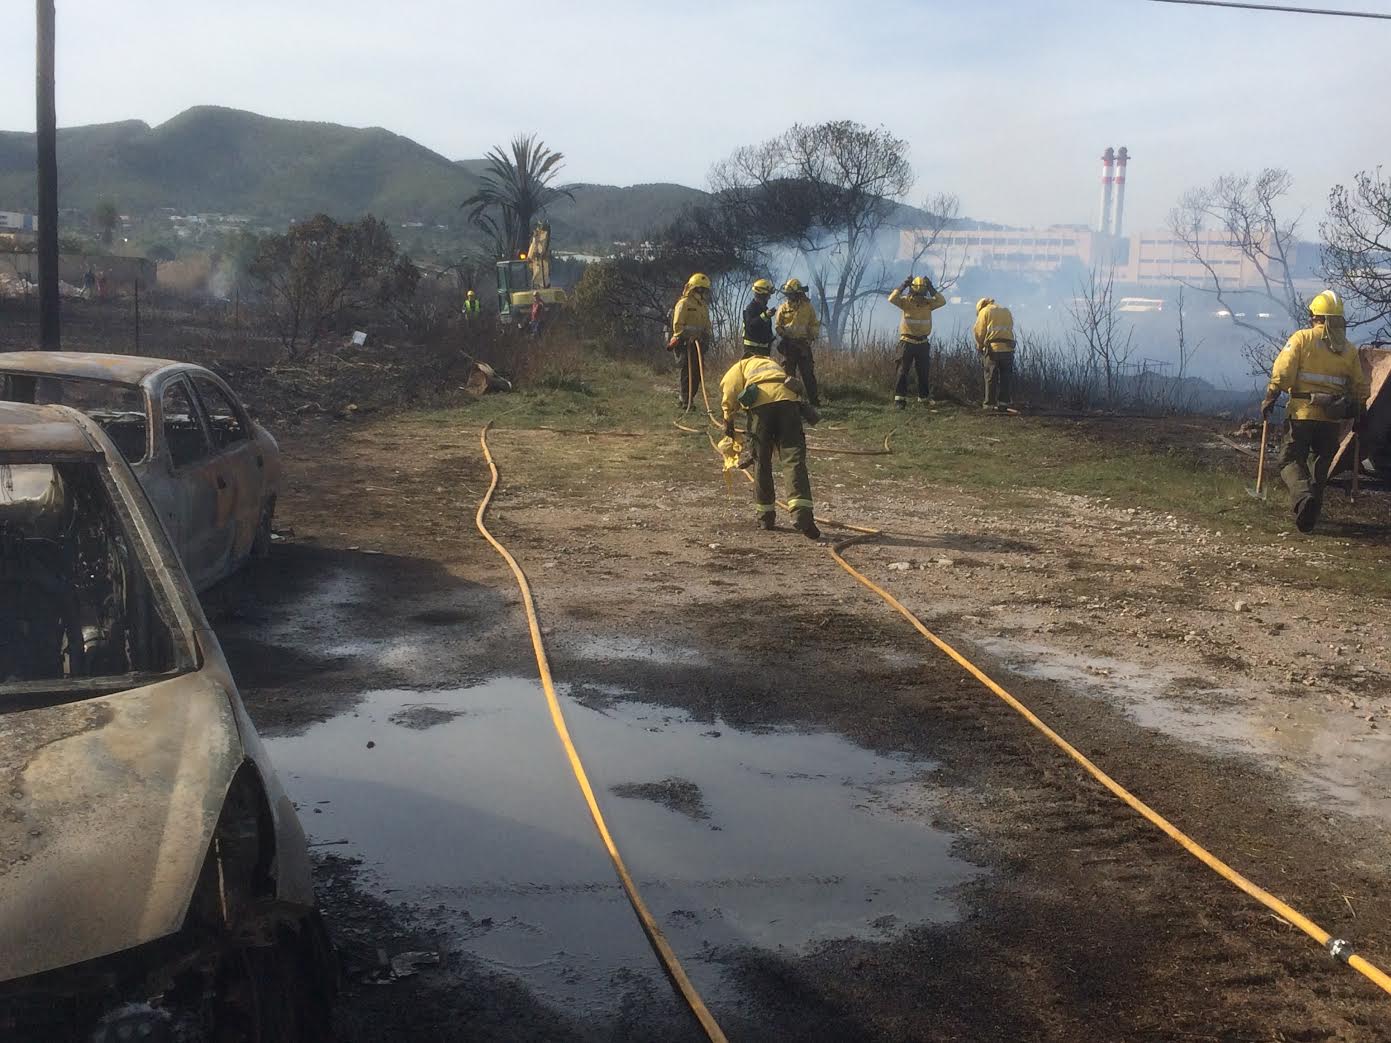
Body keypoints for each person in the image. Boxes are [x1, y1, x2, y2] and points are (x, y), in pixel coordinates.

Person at [1260, 289, 1369, 534]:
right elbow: (1359, 385)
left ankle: (1303, 497)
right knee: (1321, 465)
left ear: (1316, 317)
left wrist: (1271, 395)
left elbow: (1284, 371)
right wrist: (1360, 411)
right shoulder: (1348, 350)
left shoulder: (1302, 339)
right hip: (1332, 419)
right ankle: (1309, 516)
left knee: (1290, 460)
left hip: (1302, 415)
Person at [720, 345, 820, 539]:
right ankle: (802, 515)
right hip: (788, 403)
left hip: (761, 409)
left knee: (762, 461)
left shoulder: (741, 365)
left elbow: (730, 389)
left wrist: (728, 419)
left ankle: (765, 517)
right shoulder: (773, 364)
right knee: (793, 459)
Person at [888, 275, 947, 408]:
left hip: (922, 342)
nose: (919, 297)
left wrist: (932, 288)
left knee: (923, 372)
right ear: (912, 291)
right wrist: (903, 285)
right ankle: (900, 400)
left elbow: (942, 301)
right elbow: (892, 298)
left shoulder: (928, 303)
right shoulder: (905, 302)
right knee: (902, 371)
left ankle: (923, 397)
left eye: (922, 294)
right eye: (917, 294)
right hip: (907, 341)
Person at [669, 273, 713, 408]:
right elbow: (678, 325)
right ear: (695, 288)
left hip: (698, 343)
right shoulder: (683, 303)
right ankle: (685, 400)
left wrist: (706, 338)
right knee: (686, 372)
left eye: (705, 290)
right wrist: (686, 336)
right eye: (701, 289)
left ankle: (689, 398)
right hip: (684, 343)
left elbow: (707, 325)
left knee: (697, 373)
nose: (703, 292)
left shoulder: (703, 306)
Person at [775, 279, 821, 407]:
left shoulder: (807, 307)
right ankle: (790, 401)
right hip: (789, 346)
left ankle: (814, 401)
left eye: (791, 294)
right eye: (787, 294)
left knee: (808, 374)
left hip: (803, 345)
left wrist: (811, 337)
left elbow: (814, 324)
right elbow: (778, 325)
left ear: (798, 293)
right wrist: (783, 334)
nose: (789, 297)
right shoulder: (783, 308)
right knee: (788, 375)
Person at [973, 297, 1016, 410]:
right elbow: (1010, 326)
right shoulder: (1006, 310)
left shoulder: (984, 311)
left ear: (980, 307)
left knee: (990, 376)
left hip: (993, 349)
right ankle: (1004, 402)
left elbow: (979, 331)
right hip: (1008, 348)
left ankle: (989, 404)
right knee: (1006, 376)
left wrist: (980, 346)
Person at [742, 278, 777, 359]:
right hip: (752, 350)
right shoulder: (751, 308)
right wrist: (765, 316)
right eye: (768, 295)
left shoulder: (764, 309)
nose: (769, 298)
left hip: (764, 349)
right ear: (762, 295)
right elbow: (751, 325)